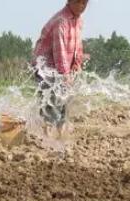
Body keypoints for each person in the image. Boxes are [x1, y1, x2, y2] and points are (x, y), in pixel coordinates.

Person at [33, 0, 89, 131]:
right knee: (50, 102)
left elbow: (78, 43)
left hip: (61, 67)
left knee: (64, 100)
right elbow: (60, 51)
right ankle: (47, 134)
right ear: (69, 1)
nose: (81, 6)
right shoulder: (61, 21)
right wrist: (65, 74)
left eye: (84, 3)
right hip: (45, 68)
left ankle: (60, 131)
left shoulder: (78, 20)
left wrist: (77, 62)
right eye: (78, 2)